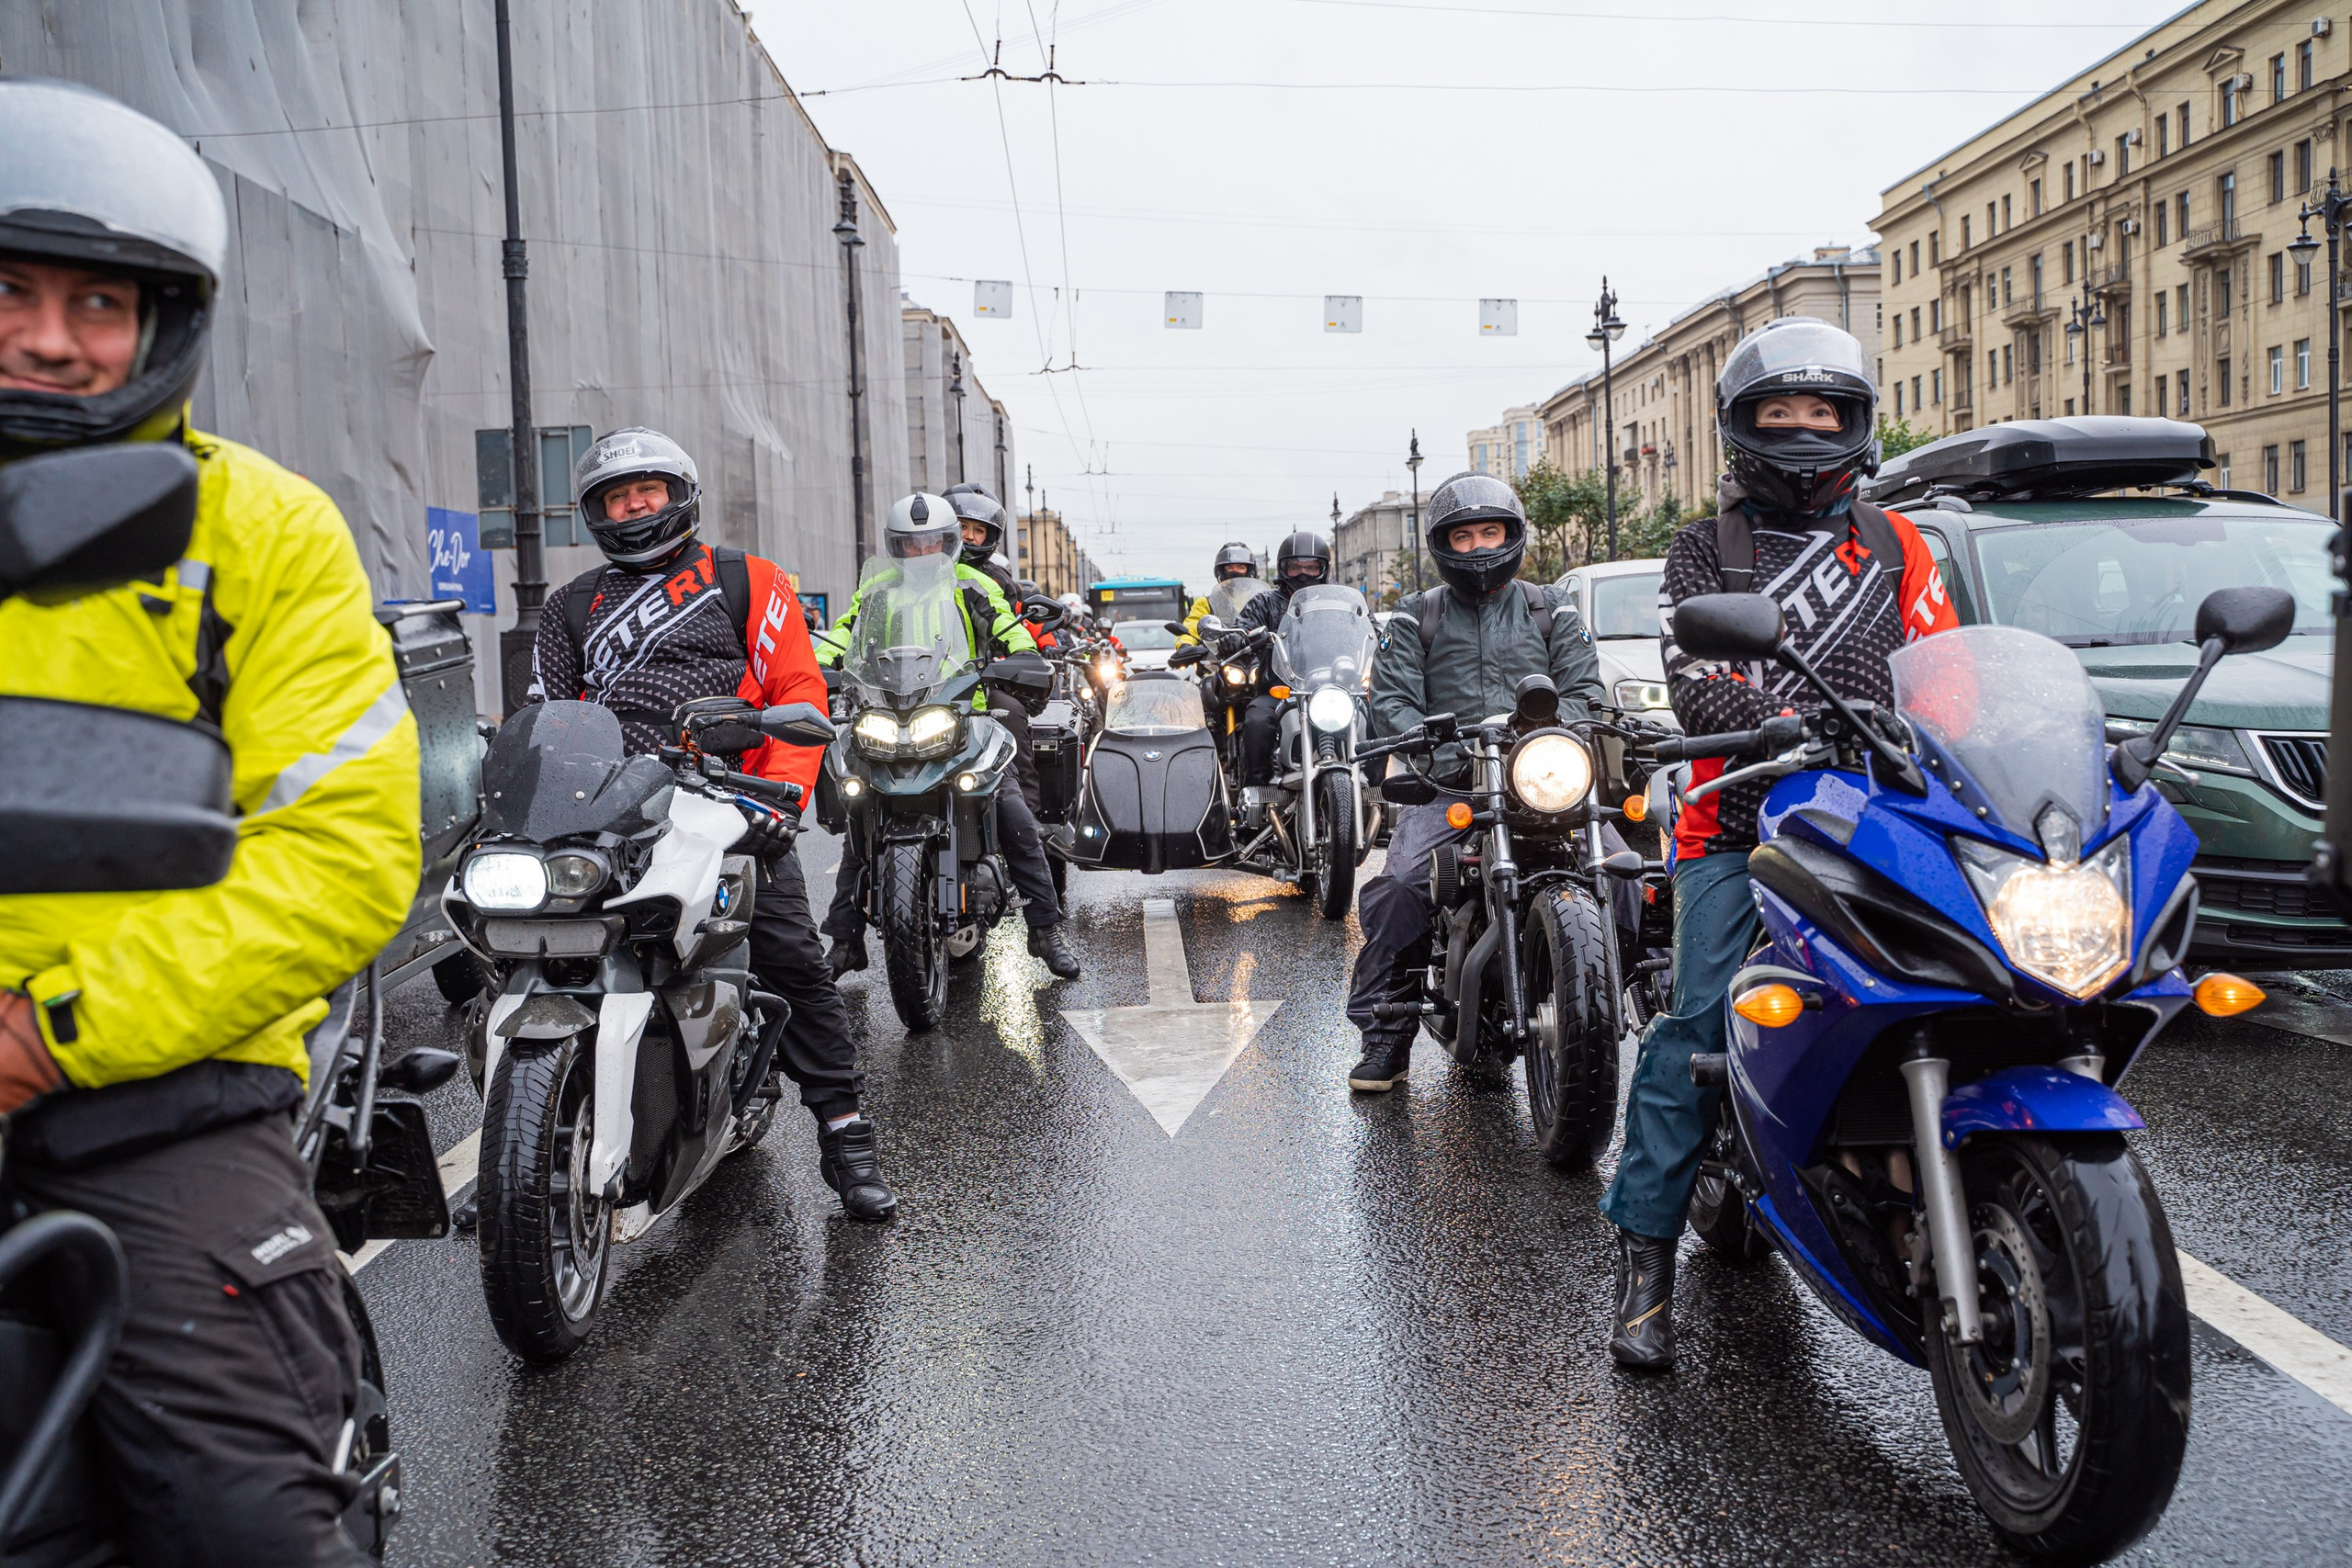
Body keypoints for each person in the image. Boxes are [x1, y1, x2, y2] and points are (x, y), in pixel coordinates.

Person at [0, 79, 419, 1564]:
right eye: (10, 288)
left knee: (243, 1517)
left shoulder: (261, 530)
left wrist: (47, 1024)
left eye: (94, 300)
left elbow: (342, 849)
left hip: (149, 1093)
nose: (49, 334)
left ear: (161, 321)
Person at [1601, 318, 1957, 1371]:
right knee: (1701, 1024)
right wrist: (1774, 722)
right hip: (1744, 819)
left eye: (1821, 411)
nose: (1801, 429)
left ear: (1854, 424)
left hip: (1883, 815)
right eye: (1777, 413)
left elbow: (1943, 665)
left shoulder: (1898, 543)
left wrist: (1962, 723)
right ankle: (1646, 1257)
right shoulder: (1705, 550)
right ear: (1741, 430)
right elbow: (1702, 675)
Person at [528, 426, 899, 1222]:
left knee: (795, 959)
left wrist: (775, 805)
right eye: (616, 499)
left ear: (679, 495)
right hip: (611, 813)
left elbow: (799, 692)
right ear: (596, 513)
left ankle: (847, 1136)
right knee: (533, 945)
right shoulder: (570, 606)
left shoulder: (747, 580)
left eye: (646, 493)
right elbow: (548, 716)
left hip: (726, 805)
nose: (633, 508)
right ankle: (526, 1139)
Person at [1341, 477, 1603, 1094]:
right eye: (1464, 534)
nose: (1480, 545)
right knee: (1404, 884)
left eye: (1490, 532)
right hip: (1452, 786)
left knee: (1620, 869)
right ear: (1443, 543)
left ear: (1512, 536)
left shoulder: (1552, 608)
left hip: (1544, 780)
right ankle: (1386, 1030)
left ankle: (1629, 995)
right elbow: (1395, 703)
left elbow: (1585, 690)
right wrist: (1442, 752)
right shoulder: (1415, 615)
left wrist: (1563, 734)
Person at [817, 493, 1080, 981]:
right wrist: (818, 662)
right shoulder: (876, 588)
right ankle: (845, 939)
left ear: (951, 542)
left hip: (963, 711)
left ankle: (1045, 930)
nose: (923, 553)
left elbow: (1008, 629)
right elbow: (845, 633)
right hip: (890, 710)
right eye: (910, 545)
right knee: (861, 815)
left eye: (933, 542)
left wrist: (1021, 659)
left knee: (1014, 812)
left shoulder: (973, 583)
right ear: (895, 547)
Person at [941, 482, 1048, 817]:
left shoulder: (996, 581)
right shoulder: (906, 576)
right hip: (912, 689)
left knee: (1011, 714)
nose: (969, 536)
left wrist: (1025, 658)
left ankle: (1027, 816)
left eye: (978, 530)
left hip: (979, 683)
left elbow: (1007, 626)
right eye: (962, 527)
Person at [1216, 530, 1334, 809]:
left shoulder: (1336, 599)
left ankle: (1376, 792)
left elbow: (1366, 625)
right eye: (1295, 567)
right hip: (1279, 689)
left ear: (1323, 568)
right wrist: (1235, 636)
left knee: (1368, 717)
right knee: (1257, 722)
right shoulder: (1264, 602)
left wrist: (1381, 634)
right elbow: (1242, 626)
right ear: (1283, 568)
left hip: (1331, 689)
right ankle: (1255, 797)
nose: (1303, 574)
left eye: (1311, 567)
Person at [1181, 540, 1263, 641]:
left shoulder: (1262, 601)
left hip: (1260, 655)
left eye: (1241, 567)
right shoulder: (1207, 603)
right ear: (1221, 572)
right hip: (1220, 656)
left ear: (1250, 571)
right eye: (1229, 568)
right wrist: (1186, 644)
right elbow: (1191, 629)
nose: (1235, 572)